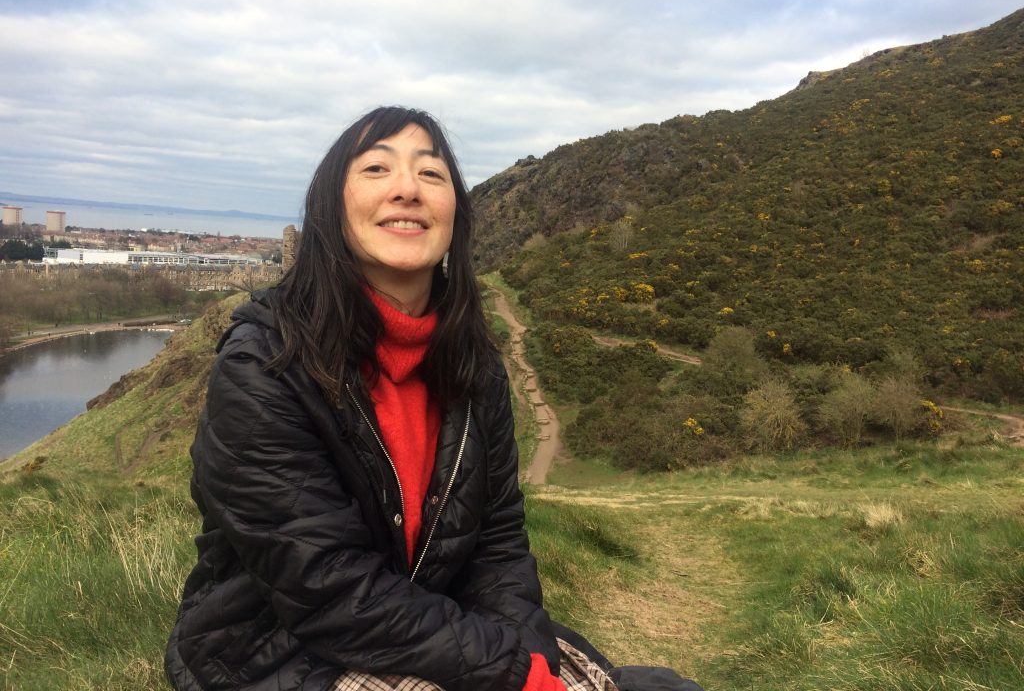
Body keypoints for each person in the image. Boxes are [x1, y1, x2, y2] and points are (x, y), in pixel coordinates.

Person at [165, 106, 702, 691]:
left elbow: (498, 542)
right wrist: (511, 673)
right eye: (376, 168)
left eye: (430, 173)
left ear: (455, 215)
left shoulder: (473, 364)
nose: (407, 189)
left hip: (430, 623)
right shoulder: (266, 364)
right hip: (277, 651)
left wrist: (526, 655)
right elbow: (326, 585)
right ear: (331, 208)